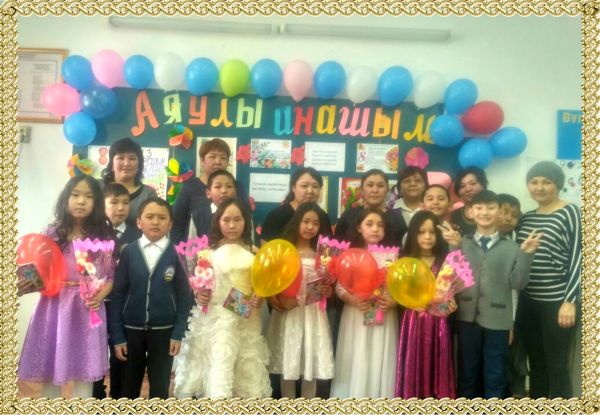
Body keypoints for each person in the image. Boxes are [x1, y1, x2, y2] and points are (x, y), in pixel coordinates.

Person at [18, 175, 116, 398]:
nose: (81, 201)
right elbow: (38, 269)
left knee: (85, 370)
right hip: (54, 306)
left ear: (96, 203)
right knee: (51, 365)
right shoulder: (52, 232)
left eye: (88, 196)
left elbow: (110, 277)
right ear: (66, 198)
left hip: (87, 308)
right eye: (75, 195)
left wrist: (99, 296)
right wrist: (26, 281)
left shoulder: (102, 235)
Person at [440, 190, 541, 398]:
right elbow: (452, 277)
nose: (484, 212)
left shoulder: (512, 247)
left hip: (498, 319)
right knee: (467, 373)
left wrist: (526, 255)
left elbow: (518, 283)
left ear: (499, 212)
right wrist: (454, 246)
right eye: (479, 208)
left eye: (490, 208)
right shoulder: (462, 242)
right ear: (470, 212)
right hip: (466, 317)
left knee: (495, 374)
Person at [174, 198, 271, 399]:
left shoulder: (255, 252)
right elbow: (201, 284)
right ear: (218, 221)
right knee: (220, 361)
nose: (232, 225)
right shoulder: (206, 252)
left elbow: (260, 287)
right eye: (226, 220)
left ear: (246, 221)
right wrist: (199, 294)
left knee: (245, 368)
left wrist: (259, 297)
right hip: (217, 319)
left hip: (246, 320)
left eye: (237, 219)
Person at [109, 198, 191, 399]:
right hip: (130, 331)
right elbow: (117, 295)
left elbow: (184, 296)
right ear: (139, 222)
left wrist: (178, 332)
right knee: (127, 389)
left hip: (164, 332)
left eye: (162, 218)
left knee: (160, 390)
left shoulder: (178, 254)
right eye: (150, 217)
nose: (155, 222)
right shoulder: (128, 252)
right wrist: (117, 336)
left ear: (170, 224)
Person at [514, 161, 582, 398]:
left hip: (558, 303)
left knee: (557, 365)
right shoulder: (526, 218)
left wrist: (570, 301)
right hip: (528, 302)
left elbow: (579, 257)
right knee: (536, 363)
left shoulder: (571, 212)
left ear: (558, 185)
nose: (539, 187)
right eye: (534, 182)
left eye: (546, 182)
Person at [266, 202, 335, 399]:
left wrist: (327, 290)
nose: (310, 227)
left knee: (310, 363)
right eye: (306, 221)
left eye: (315, 223)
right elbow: (271, 282)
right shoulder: (283, 249)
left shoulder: (323, 253)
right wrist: (279, 298)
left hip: (313, 314)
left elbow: (326, 285)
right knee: (288, 362)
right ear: (297, 221)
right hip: (290, 312)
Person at [330, 208, 398, 398]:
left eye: (380, 225)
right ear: (359, 228)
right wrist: (352, 299)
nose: (375, 229)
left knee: (378, 354)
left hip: (384, 314)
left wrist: (393, 301)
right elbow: (339, 286)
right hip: (356, 314)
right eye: (369, 224)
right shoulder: (348, 254)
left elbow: (398, 286)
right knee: (357, 354)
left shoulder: (393, 256)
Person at [396, 211, 456, 398]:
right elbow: (398, 292)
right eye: (422, 232)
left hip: (439, 322)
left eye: (432, 232)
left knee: (438, 359)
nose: (427, 237)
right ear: (413, 234)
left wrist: (451, 302)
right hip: (414, 320)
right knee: (414, 359)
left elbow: (451, 290)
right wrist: (410, 303)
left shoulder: (446, 260)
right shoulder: (405, 261)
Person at [92, 182, 142, 399]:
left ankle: (119, 396)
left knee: (120, 350)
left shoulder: (137, 234)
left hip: (124, 303)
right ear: (102, 205)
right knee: (95, 349)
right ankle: (96, 393)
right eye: (114, 202)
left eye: (125, 203)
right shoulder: (93, 233)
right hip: (96, 302)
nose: (121, 208)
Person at [171, 138, 248, 245]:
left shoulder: (237, 187)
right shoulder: (189, 188)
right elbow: (177, 226)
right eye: (212, 157)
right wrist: (184, 252)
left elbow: (246, 221)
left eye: (223, 158)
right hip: (197, 251)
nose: (218, 161)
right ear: (202, 161)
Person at [494, 193, 527, 398]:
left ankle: (513, 396)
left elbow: (513, 290)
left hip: (507, 316)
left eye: (514, 215)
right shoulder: (475, 242)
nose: (508, 218)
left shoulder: (514, 248)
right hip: (481, 316)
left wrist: (511, 324)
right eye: (504, 212)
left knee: (509, 361)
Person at [335, 169, 407, 248]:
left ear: (387, 190)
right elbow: (336, 247)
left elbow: (404, 249)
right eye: (370, 185)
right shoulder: (348, 215)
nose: (375, 190)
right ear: (361, 190)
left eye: (380, 186)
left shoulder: (396, 218)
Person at [261, 167, 332, 243]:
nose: (310, 191)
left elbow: (328, 247)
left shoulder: (323, 217)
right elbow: (266, 248)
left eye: (315, 186)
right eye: (304, 186)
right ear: (293, 187)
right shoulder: (276, 216)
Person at [102, 137, 158, 226]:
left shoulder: (148, 194)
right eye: (120, 158)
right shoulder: (98, 187)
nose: (126, 163)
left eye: (132, 158)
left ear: (139, 165)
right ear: (112, 164)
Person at [172, 169, 238, 243]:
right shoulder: (198, 216)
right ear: (208, 193)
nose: (224, 191)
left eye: (229, 186)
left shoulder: (242, 214)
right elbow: (191, 246)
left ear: (235, 192)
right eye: (218, 187)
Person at [450, 167, 488, 236]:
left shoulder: (496, 209)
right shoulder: (455, 215)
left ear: (483, 185)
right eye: (462, 186)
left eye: (473, 183)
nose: (468, 189)